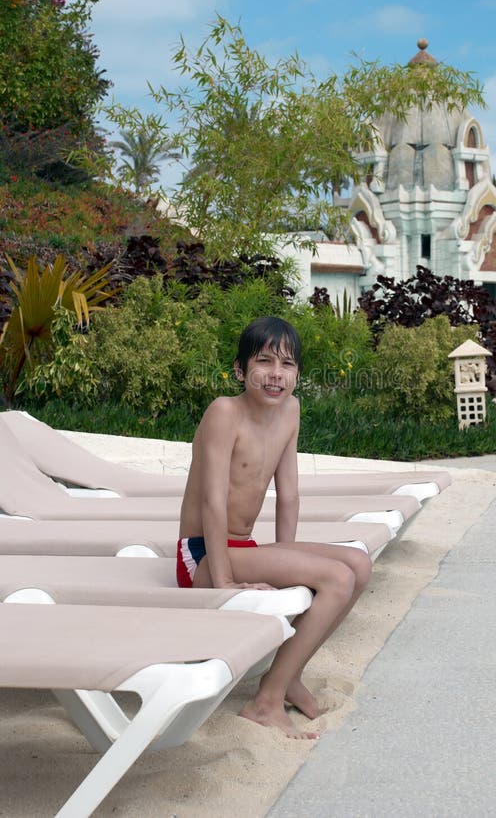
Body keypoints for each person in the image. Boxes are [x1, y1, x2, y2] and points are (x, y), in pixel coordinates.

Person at [178, 316, 372, 739]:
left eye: (286, 364)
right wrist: (225, 580)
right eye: (264, 361)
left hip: (243, 547)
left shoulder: (290, 411)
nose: (275, 374)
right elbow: (212, 500)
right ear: (239, 370)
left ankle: (289, 674)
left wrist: (290, 559)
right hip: (204, 555)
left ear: (298, 375)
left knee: (358, 563)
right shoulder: (224, 412)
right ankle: (266, 701)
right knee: (337, 579)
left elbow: (289, 494)